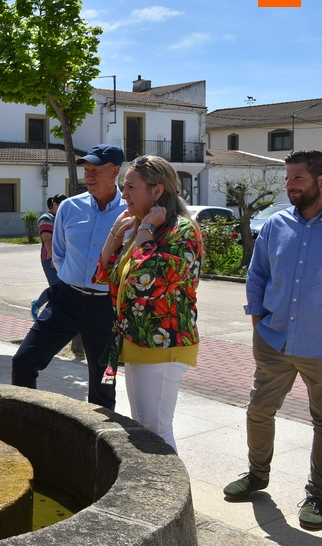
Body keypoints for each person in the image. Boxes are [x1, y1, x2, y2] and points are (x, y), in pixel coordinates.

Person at [223, 150, 322, 530]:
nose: (289, 184)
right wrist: (257, 318)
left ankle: (317, 493)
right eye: (288, 178)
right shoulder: (277, 224)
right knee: (258, 410)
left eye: (297, 178)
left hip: (319, 345)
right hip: (274, 339)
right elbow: (258, 273)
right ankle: (257, 474)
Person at [93, 155, 202, 451]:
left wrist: (143, 232)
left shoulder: (181, 231)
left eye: (130, 187)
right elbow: (106, 273)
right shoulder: (144, 229)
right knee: (143, 424)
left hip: (164, 343)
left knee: (156, 427)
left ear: (157, 191)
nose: (123, 194)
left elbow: (145, 282)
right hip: (140, 341)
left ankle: (171, 493)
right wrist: (117, 232)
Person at [11, 145, 126, 409]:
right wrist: (67, 276)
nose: (88, 175)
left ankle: (100, 441)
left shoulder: (128, 213)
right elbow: (58, 253)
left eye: (96, 170)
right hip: (66, 299)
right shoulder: (70, 208)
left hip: (105, 306)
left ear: (115, 172)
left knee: (104, 381)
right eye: (86, 169)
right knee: (24, 360)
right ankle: (25, 420)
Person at [31, 193, 67, 320]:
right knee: (56, 288)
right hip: (49, 259)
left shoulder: (58, 217)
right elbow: (47, 240)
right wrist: (53, 258)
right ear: (55, 204)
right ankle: (38, 305)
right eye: (62, 205)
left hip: (61, 259)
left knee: (60, 287)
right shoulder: (46, 219)